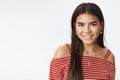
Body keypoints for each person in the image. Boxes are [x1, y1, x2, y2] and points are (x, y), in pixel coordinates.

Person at [49, 2, 115, 80]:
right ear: (75, 27)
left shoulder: (108, 57)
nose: (87, 30)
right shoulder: (63, 52)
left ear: (101, 26)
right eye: (81, 25)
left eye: (93, 24)